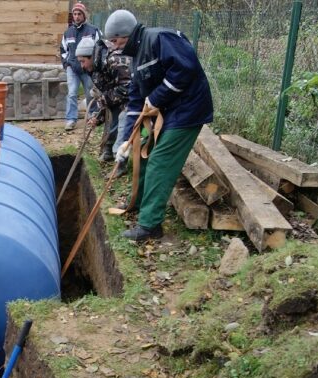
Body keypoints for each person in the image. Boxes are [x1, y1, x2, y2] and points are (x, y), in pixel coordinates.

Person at [105, 9, 214, 241]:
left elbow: (186, 68)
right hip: (168, 111)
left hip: (187, 111)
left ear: (126, 34)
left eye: (115, 41)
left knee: (159, 162)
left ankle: (150, 226)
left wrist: (157, 97)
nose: (114, 46)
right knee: (140, 155)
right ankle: (138, 201)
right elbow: (136, 103)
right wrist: (126, 141)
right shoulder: (136, 58)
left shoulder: (160, 38)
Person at [75, 36, 131, 178]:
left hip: (132, 100)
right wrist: (98, 117)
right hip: (117, 99)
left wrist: (103, 100)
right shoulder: (95, 69)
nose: (82, 66)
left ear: (92, 56)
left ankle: (120, 165)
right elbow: (107, 97)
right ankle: (108, 152)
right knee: (111, 123)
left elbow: (127, 87)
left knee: (123, 127)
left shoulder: (114, 61)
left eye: (83, 61)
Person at [60, 2, 100, 131]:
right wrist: (67, 64)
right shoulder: (68, 33)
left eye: (79, 14)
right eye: (74, 14)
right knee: (72, 93)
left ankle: (92, 117)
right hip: (73, 68)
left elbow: (99, 48)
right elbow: (63, 50)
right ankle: (71, 119)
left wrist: (95, 66)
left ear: (84, 15)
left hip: (88, 69)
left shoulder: (93, 30)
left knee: (90, 94)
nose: (76, 17)